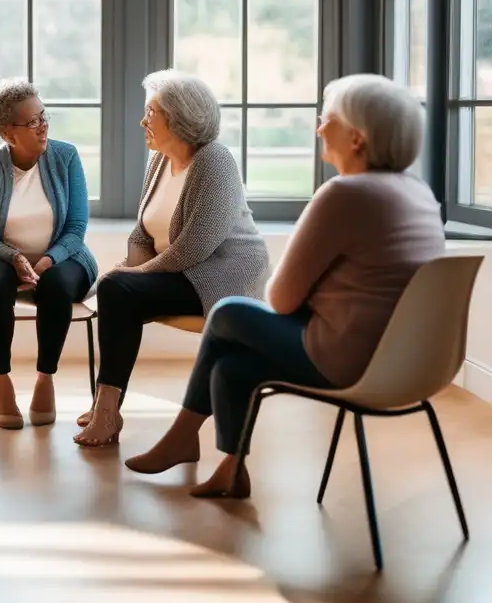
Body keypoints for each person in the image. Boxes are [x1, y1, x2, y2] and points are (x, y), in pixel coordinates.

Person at [125, 73, 445, 497]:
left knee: (228, 312)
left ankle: (182, 436)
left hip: (350, 361)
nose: (318, 128)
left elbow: (280, 298)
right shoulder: (417, 193)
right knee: (234, 367)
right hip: (416, 363)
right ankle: (230, 469)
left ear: (357, 138)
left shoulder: (344, 195)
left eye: (328, 118)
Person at [75, 69, 269, 447]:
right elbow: (142, 232)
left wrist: (134, 274)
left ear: (179, 117)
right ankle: (107, 405)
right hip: (181, 272)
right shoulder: (160, 160)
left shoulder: (215, 161)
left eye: (151, 112)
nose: (143, 121)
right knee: (117, 288)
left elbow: (194, 248)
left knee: (116, 287)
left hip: (222, 276)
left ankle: (106, 409)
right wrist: (131, 270)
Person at [0, 78, 98, 429]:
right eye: (33, 121)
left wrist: (48, 259)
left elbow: (77, 227)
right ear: (8, 134)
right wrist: (15, 258)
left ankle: (45, 378)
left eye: (44, 116)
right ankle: (1, 382)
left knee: (55, 284)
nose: (43, 126)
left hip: (63, 258)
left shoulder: (65, 157)